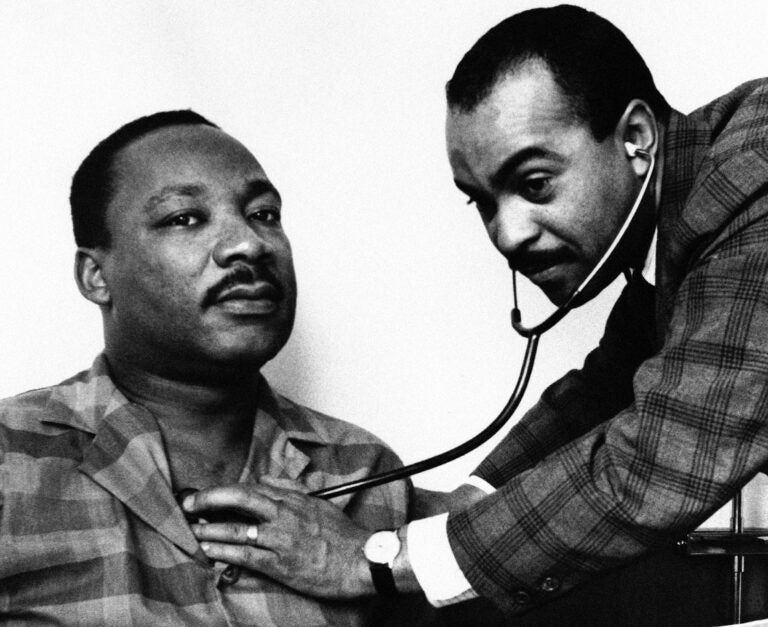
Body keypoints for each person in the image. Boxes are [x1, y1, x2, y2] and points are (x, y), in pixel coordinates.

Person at [180, 5, 768, 625]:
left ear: (636, 140)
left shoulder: (750, 179)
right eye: (484, 202)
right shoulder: (687, 226)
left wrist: (373, 561)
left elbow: (660, 459)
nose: (509, 234)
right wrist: (464, 505)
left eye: (535, 183)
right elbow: (604, 393)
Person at [0, 110, 418, 626]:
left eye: (264, 214)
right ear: (95, 276)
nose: (250, 244)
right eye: (184, 218)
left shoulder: (366, 473)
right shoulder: (10, 457)